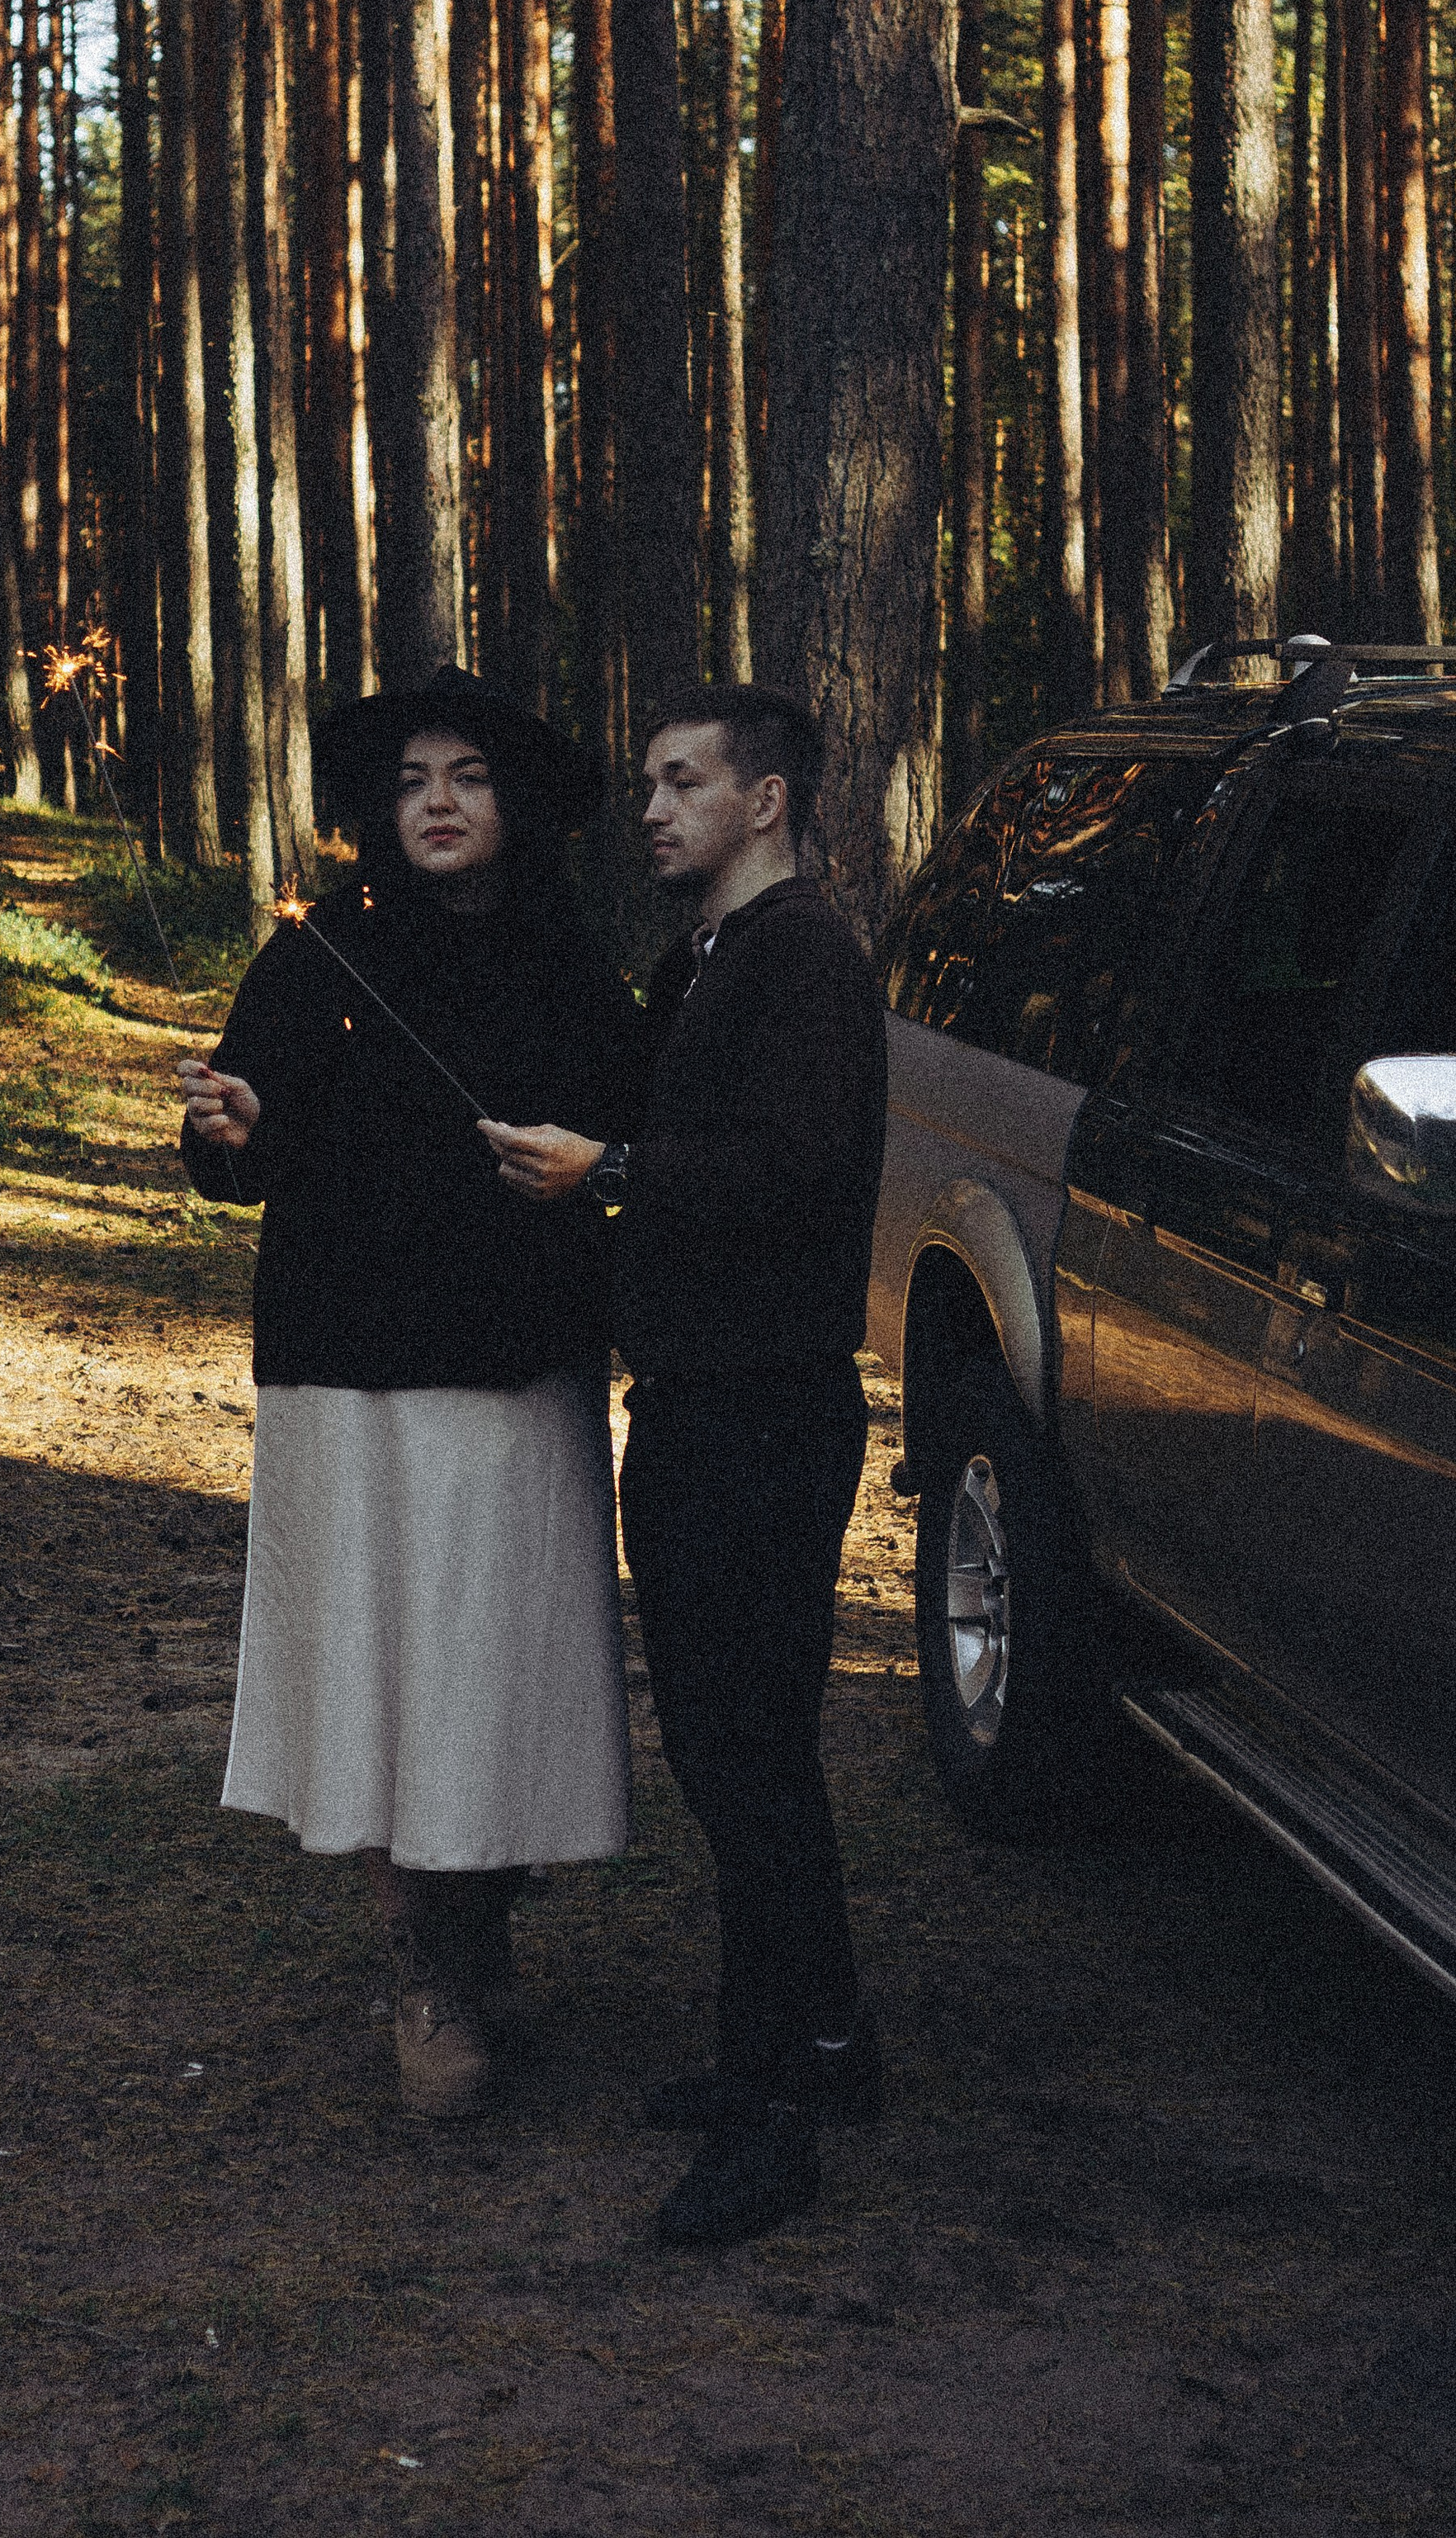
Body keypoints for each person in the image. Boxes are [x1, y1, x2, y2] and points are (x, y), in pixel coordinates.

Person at [179, 667, 645, 2116]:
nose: (437, 804)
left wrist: (591, 1170)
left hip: (515, 1367)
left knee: (492, 1663)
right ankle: (426, 1965)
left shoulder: (571, 958)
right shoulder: (316, 954)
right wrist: (230, 1128)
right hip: (353, 1367)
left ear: (516, 803)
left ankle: (481, 1926)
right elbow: (243, 1145)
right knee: (386, 1665)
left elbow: (631, 1141)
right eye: (409, 783)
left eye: (468, 777)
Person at [483, 685, 888, 2243]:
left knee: (749, 1761)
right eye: (648, 782)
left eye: (683, 782)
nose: (650, 809)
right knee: (739, 1755)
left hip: (765, 1416)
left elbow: (795, 1170)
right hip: (698, 1407)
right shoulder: (705, 959)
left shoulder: (807, 960)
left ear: (765, 800)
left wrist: (617, 1172)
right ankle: (822, 2045)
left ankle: (776, 2122)